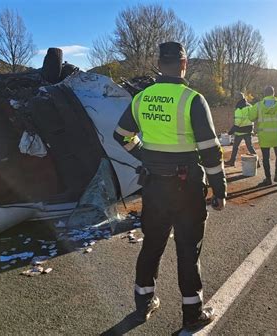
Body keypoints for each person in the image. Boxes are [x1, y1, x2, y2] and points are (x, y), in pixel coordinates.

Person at [113, 41, 226, 332]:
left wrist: (143, 155)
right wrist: (219, 189)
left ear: (159, 64)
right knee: (188, 251)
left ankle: (143, 305)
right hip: (186, 189)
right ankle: (192, 315)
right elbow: (211, 152)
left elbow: (121, 135)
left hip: (153, 187)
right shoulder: (192, 99)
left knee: (151, 245)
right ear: (184, 65)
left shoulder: (142, 98)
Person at [245, 85, 277, 185]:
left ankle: (268, 179)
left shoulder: (258, 105)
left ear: (264, 94)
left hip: (264, 137)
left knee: (265, 158)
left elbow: (250, 117)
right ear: (273, 93)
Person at [224, 92, 257, 167]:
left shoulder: (239, 108)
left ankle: (232, 161)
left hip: (240, 131)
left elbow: (237, 123)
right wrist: (252, 129)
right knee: (250, 147)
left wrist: (230, 132)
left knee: (235, 147)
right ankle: (256, 162)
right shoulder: (250, 106)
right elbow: (253, 118)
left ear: (237, 99)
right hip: (248, 130)